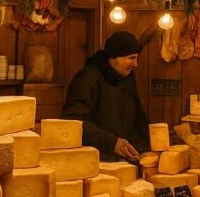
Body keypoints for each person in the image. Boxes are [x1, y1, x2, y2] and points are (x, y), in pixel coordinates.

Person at [62, 31, 147, 161]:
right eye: (131, 58)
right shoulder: (87, 79)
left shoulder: (127, 77)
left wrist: (148, 145)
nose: (136, 64)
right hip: (96, 161)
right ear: (114, 58)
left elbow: (138, 116)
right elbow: (74, 122)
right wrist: (111, 142)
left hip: (127, 161)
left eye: (137, 58)